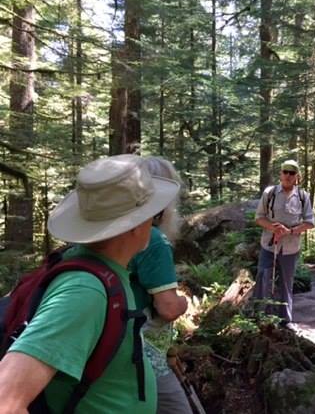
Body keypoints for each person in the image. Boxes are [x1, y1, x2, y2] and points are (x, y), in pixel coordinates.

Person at [0, 154, 180, 414]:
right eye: (153, 214)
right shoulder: (86, 292)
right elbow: (7, 401)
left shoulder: (106, 270)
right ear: (136, 224)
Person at [128, 157, 193, 414]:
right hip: (137, 348)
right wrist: (183, 302)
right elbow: (167, 308)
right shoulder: (152, 238)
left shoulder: (113, 230)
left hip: (106, 344)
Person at [253, 159, 315, 326]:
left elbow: (310, 222)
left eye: (292, 173)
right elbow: (259, 218)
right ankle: (260, 318)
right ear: (280, 174)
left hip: (290, 249)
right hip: (268, 245)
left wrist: (290, 231)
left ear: (297, 176)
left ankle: (286, 321)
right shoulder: (270, 193)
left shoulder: (303, 196)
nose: (288, 175)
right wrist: (273, 228)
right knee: (263, 279)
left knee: (286, 283)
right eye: (285, 172)